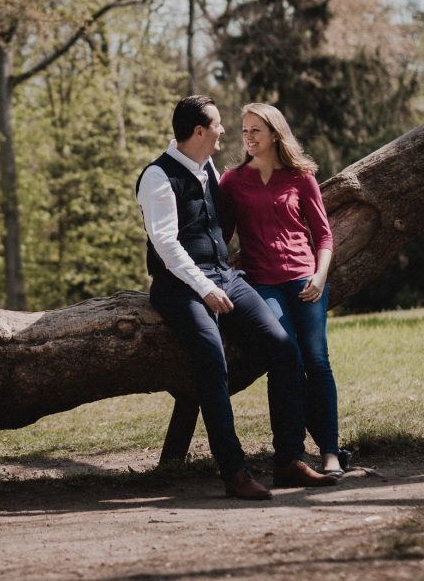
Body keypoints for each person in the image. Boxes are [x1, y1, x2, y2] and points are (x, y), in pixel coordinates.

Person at [136, 95, 337, 500]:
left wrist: (222, 279)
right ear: (198, 132)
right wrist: (206, 289)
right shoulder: (157, 177)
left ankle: (289, 459)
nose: (225, 132)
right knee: (212, 360)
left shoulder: (208, 167)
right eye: (218, 125)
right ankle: (235, 471)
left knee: (283, 349)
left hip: (223, 275)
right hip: (179, 284)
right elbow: (166, 246)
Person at [218, 103, 346, 478]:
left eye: (256, 130)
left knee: (317, 360)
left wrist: (320, 276)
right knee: (285, 354)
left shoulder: (301, 176)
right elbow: (221, 237)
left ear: (275, 133)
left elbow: (323, 235)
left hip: (305, 279)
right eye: (244, 131)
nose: (248, 137)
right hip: (262, 282)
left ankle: (331, 451)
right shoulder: (232, 181)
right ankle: (290, 455)